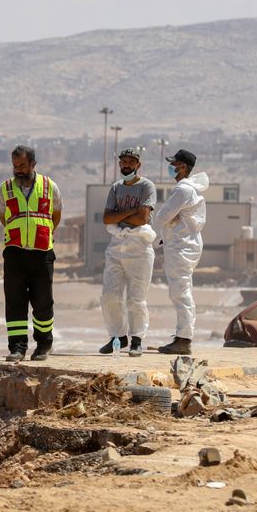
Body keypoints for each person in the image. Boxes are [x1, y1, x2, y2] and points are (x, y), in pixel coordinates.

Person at [0, 145, 62, 361]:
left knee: (43, 301)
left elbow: (56, 215)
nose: (18, 170)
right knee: (15, 301)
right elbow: (3, 217)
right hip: (15, 253)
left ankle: (43, 344)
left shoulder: (49, 186)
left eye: (22, 165)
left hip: (41, 253)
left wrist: (40, 233)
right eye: (15, 166)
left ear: (33, 164)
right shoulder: (5, 188)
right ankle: (17, 347)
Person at [99, 148, 156, 357]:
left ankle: (137, 340)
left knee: (136, 298)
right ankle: (117, 337)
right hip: (116, 247)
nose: (126, 165)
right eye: (123, 161)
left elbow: (142, 220)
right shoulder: (116, 188)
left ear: (138, 164)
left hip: (139, 249)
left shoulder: (147, 186)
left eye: (131, 162)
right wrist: (133, 211)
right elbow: (106, 218)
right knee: (110, 294)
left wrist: (120, 215)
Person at [155, 149, 208, 355]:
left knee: (180, 292)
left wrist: (171, 218)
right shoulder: (192, 190)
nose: (172, 167)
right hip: (186, 244)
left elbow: (161, 216)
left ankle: (184, 339)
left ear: (182, 167)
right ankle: (183, 336)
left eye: (174, 164)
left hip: (181, 246)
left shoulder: (183, 190)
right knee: (183, 290)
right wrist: (172, 218)